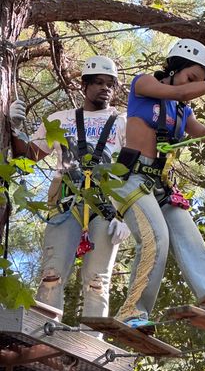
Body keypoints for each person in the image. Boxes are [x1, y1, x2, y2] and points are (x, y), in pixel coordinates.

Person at [112, 39, 205, 328]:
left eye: (200, 81)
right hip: (131, 178)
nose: (194, 87)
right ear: (174, 68)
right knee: (156, 239)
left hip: (160, 185)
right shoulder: (144, 84)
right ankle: (132, 313)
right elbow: (179, 90)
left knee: (191, 239)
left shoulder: (183, 111)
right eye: (191, 77)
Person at [9, 55, 130, 323]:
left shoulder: (122, 122)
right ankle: (44, 334)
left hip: (106, 205)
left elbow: (133, 171)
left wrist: (125, 215)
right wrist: (16, 128)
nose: (105, 88)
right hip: (66, 199)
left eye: (111, 83)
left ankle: (92, 341)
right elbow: (28, 156)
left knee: (98, 281)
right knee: (52, 275)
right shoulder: (60, 120)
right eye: (98, 82)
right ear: (83, 86)